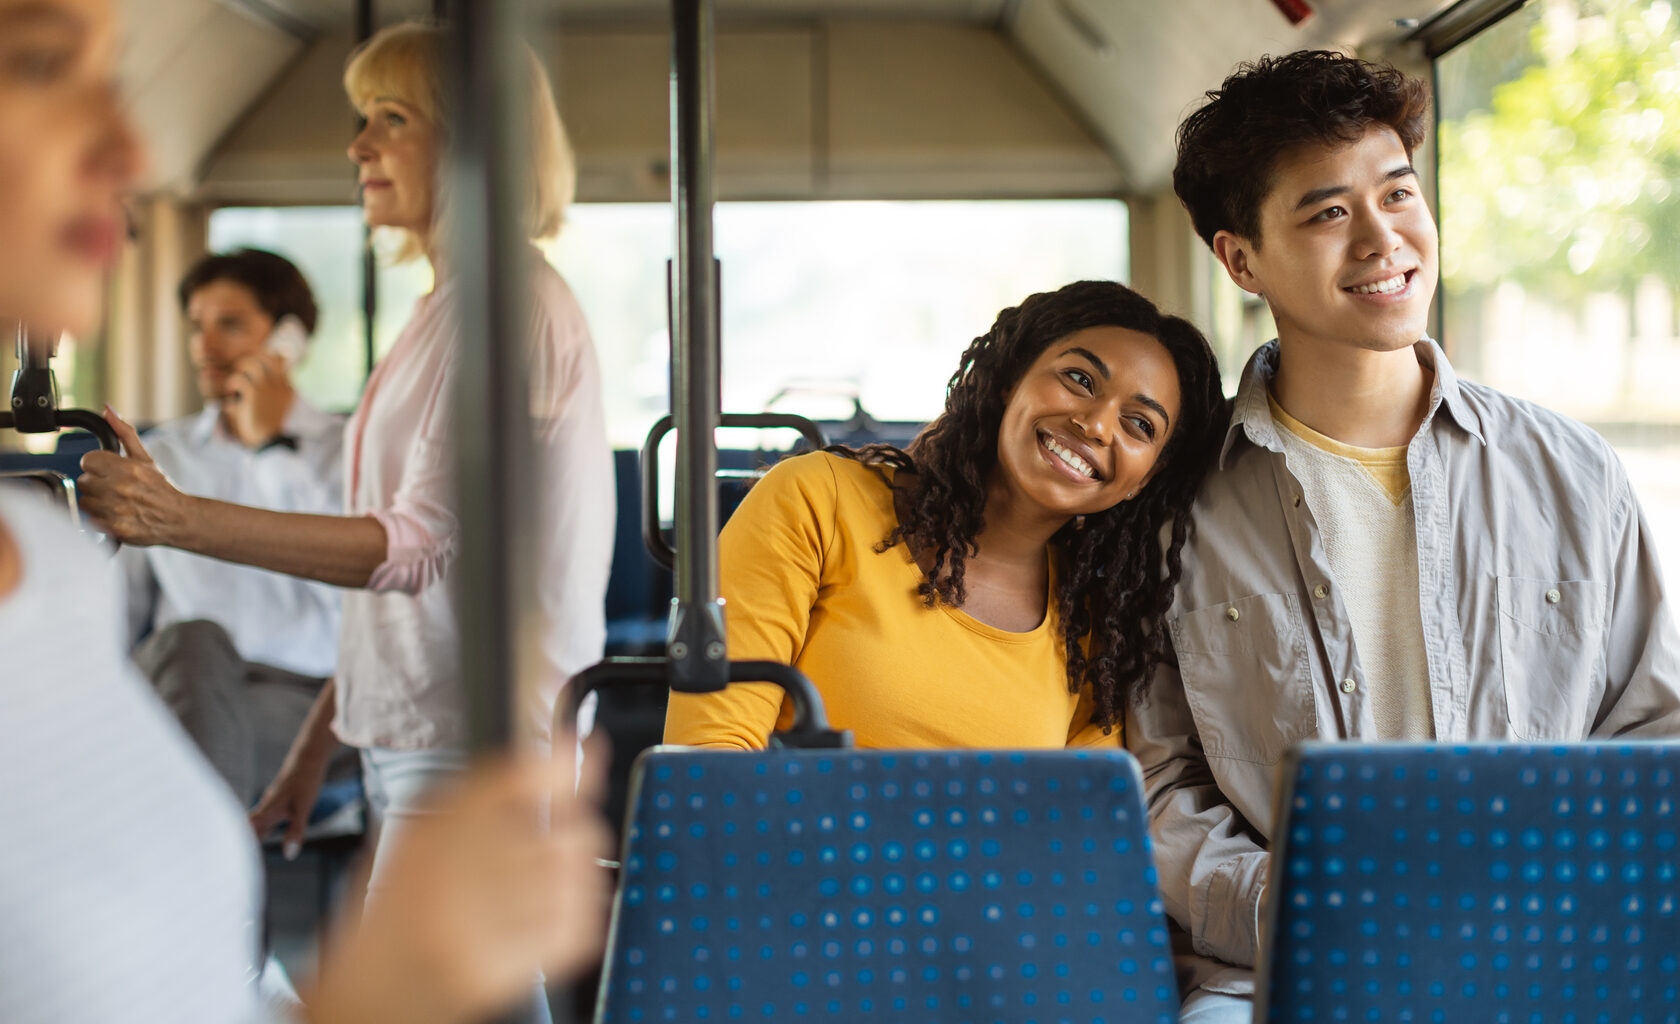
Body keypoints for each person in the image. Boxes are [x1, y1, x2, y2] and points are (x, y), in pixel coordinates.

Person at [0, 1, 609, 1022]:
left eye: (390, 118)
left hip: (477, 724)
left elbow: (413, 551)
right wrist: (321, 740)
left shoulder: (509, 308)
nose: (357, 143)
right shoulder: (442, 314)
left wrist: (174, 514)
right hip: (415, 719)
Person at [1132, 50, 1680, 1022]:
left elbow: (1652, 734)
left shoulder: (1574, 471)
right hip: (1272, 968)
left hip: (1543, 948)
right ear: (1240, 259)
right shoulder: (1172, 501)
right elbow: (1159, 778)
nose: (1384, 239)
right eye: (1328, 211)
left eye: (1398, 193)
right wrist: (1311, 913)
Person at [664, 280, 1228, 749]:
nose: (1097, 424)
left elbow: (1067, 830)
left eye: (1139, 424)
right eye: (1079, 379)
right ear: (1012, 378)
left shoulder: (1097, 630)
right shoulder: (817, 500)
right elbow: (710, 759)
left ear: (1145, 477)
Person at [124, 248, 349, 807]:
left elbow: (359, 592)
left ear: (288, 337)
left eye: (230, 324)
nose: (205, 346)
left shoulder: (345, 451)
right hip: (179, 679)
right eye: (196, 326)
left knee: (170, 759)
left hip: (303, 697)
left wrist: (272, 449)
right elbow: (121, 611)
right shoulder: (161, 456)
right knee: (193, 642)